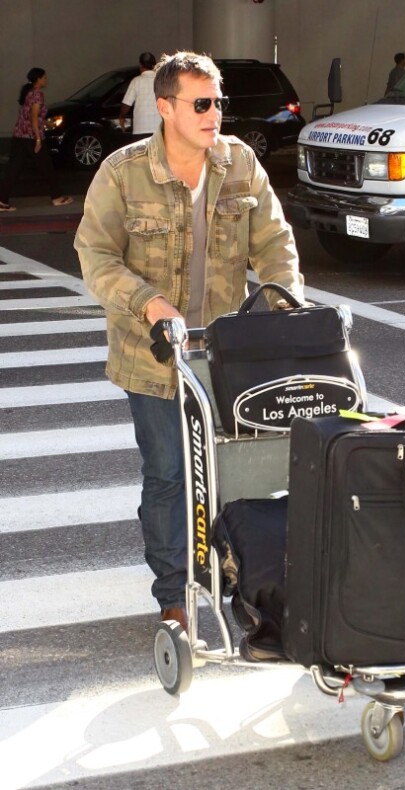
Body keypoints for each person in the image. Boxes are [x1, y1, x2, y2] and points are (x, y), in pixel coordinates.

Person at [75, 51, 304, 631]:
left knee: (232, 471)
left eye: (218, 103)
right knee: (170, 476)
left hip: (223, 356)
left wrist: (284, 307)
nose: (213, 115)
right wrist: (148, 303)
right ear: (164, 108)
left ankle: (235, 579)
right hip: (152, 359)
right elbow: (94, 253)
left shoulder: (239, 163)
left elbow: (274, 242)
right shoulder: (124, 173)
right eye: (200, 104)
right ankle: (173, 594)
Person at [0, 68, 73, 212]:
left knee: (13, 169)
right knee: (47, 167)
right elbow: (33, 117)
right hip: (31, 137)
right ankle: (57, 197)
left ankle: (2, 200)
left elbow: (32, 116)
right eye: (44, 77)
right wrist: (38, 139)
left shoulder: (28, 92)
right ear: (38, 79)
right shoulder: (38, 94)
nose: (46, 80)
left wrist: (46, 123)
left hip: (19, 135)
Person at [118, 52, 160, 140]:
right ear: (155, 65)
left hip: (140, 129)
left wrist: (122, 116)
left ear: (140, 66)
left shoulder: (136, 81)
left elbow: (126, 104)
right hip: (158, 129)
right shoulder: (160, 81)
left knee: (141, 153)